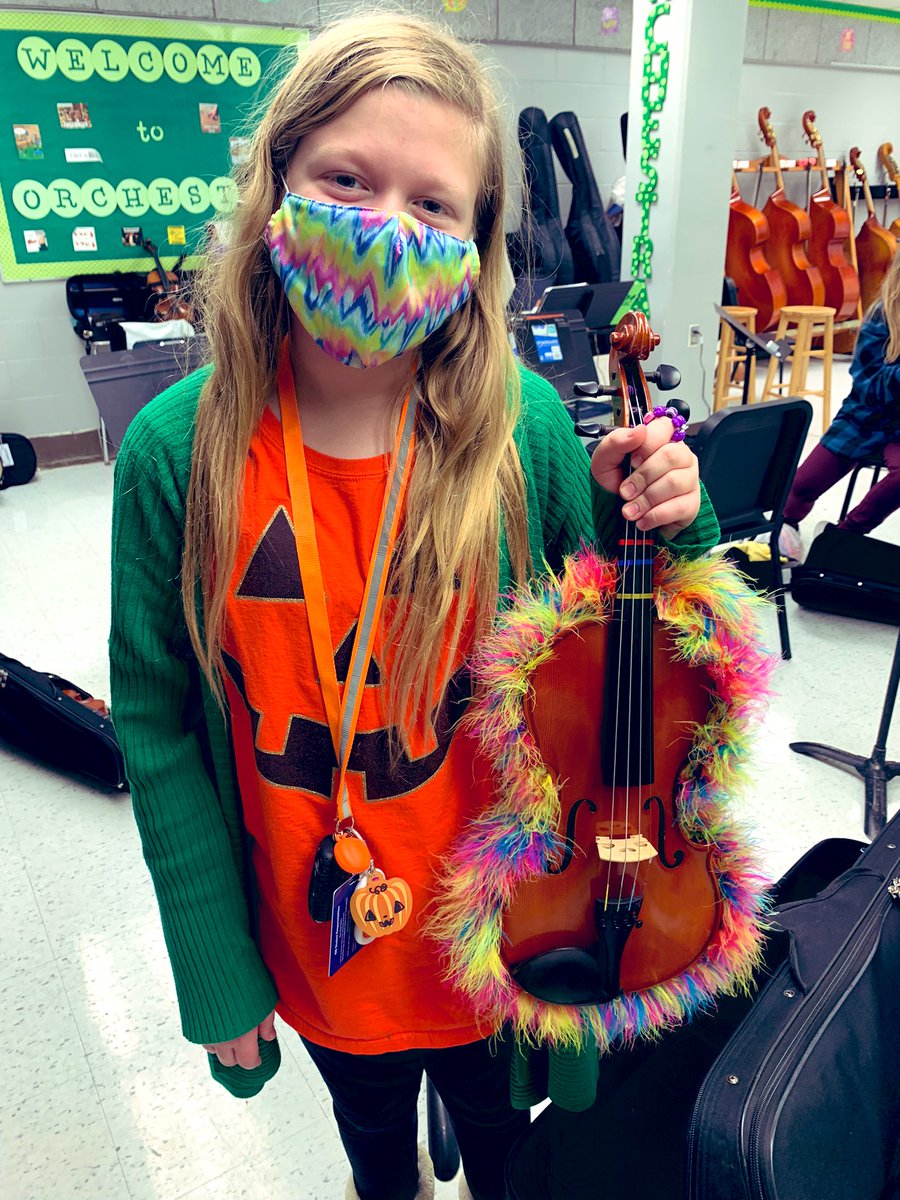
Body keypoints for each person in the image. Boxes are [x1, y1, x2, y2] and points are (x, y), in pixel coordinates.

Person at [108, 13, 719, 1200]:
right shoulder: (176, 455)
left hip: (507, 939)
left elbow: (647, 674)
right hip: (324, 948)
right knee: (376, 1151)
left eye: (432, 205)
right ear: (277, 181)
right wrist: (214, 965)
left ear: (477, 243)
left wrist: (657, 520)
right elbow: (158, 718)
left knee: (506, 1148)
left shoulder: (525, 432)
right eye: (346, 179)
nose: (386, 226)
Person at [779, 251, 900, 561]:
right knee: (799, 489)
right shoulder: (881, 315)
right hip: (864, 416)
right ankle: (785, 528)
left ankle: (843, 537)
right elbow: (867, 385)